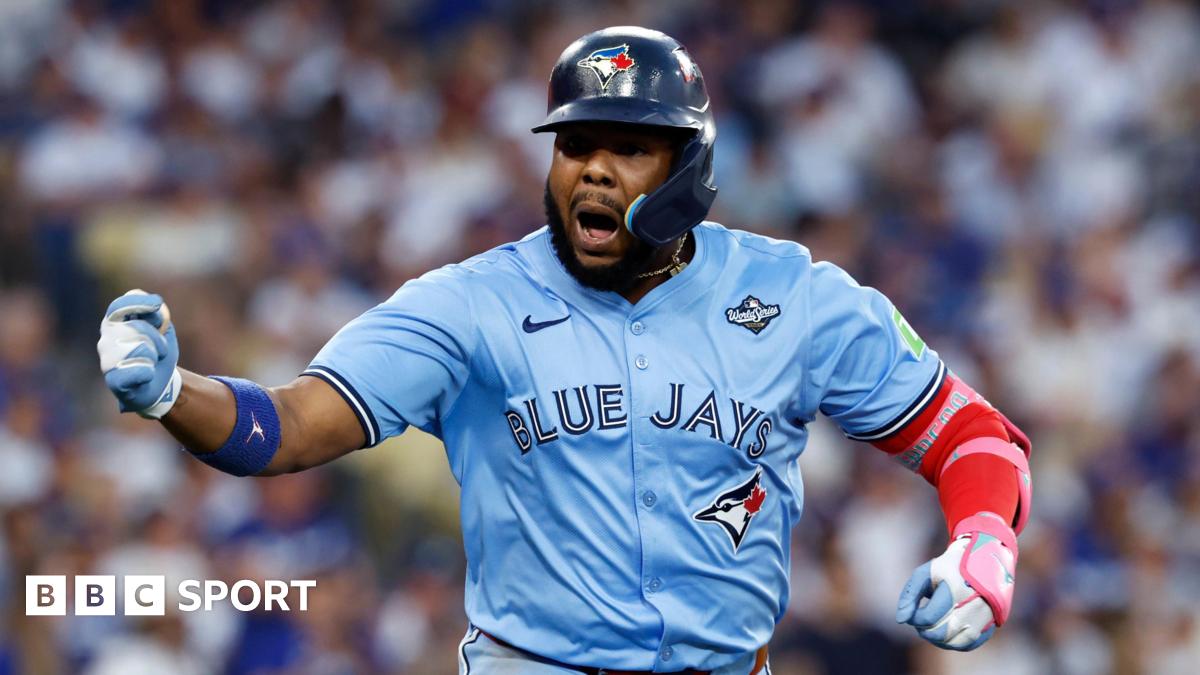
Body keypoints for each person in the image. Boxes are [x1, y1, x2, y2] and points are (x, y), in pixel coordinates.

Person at [97, 26, 1032, 675]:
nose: (592, 167)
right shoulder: (469, 304)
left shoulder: (796, 295)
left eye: (630, 147)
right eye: (575, 142)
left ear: (690, 170)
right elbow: (287, 427)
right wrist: (172, 390)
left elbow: (973, 435)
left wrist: (982, 542)